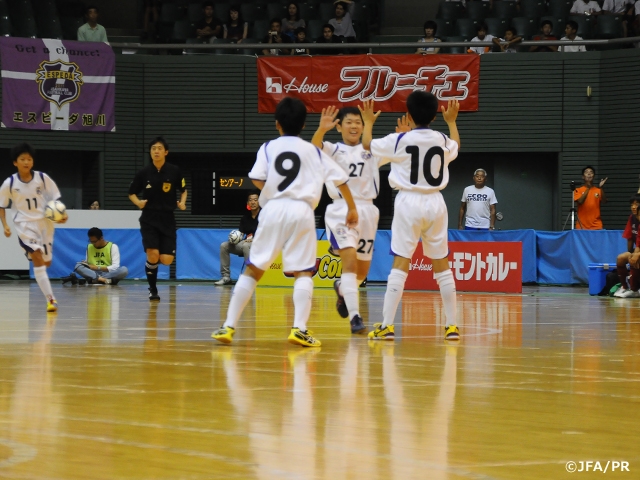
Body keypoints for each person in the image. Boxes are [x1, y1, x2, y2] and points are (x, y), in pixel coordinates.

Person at [211, 97, 358, 347]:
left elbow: (256, 179)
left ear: (277, 124)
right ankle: (299, 329)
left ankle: (228, 325)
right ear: (303, 125)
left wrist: (272, 190)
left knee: (254, 269)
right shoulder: (313, 150)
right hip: (302, 211)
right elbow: (341, 179)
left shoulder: (268, 147)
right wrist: (352, 208)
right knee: (303, 271)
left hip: (273, 209)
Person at [360, 93, 461, 341]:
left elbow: (366, 146)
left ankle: (387, 325)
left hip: (408, 202)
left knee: (401, 262)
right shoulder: (441, 139)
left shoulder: (398, 140)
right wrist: (452, 122)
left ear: (409, 113)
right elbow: (456, 146)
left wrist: (369, 123)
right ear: (436, 114)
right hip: (436, 202)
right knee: (442, 264)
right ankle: (452, 326)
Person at [311, 106, 382, 334]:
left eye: (358, 122)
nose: (354, 126)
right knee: (349, 264)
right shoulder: (333, 149)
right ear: (339, 126)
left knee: (361, 273)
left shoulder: (373, 148)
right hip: (341, 210)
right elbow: (313, 150)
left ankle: (341, 288)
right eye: (349, 122)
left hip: (368, 211)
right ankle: (355, 318)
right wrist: (321, 130)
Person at [0, 143, 67, 312]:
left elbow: (55, 197)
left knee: (47, 262)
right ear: (15, 162)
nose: (26, 162)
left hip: (45, 223)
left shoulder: (42, 178)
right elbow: (1, 206)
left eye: (29, 159)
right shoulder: (10, 183)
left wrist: (61, 214)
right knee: (37, 256)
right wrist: (5, 225)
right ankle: (51, 299)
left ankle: (33, 253)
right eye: (22, 159)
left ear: (33, 162)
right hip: (24, 225)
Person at [128, 137, 187, 301]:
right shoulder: (143, 173)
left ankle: (153, 264)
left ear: (165, 152)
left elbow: (183, 190)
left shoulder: (174, 171)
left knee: (166, 260)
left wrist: (182, 203)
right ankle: (152, 289)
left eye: (159, 148)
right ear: (150, 152)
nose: (156, 151)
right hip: (149, 218)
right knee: (153, 255)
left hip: (168, 218)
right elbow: (131, 193)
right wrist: (138, 203)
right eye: (153, 148)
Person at [215, 190, 261, 286]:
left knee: (246, 245)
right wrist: (234, 238)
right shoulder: (245, 218)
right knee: (224, 246)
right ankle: (226, 277)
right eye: (250, 200)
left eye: (255, 200)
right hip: (246, 244)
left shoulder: (265, 216)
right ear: (248, 203)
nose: (253, 202)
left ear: (259, 202)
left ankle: (250, 277)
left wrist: (254, 239)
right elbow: (241, 235)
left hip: (261, 244)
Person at [61, 227, 129, 286]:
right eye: (91, 241)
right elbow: (88, 262)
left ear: (101, 238)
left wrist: (97, 267)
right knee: (78, 266)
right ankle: (104, 280)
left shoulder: (113, 246)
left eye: (94, 241)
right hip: (93, 272)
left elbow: (115, 267)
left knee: (124, 270)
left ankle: (96, 279)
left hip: (107, 272)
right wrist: (85, 263)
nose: (92, 243)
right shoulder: (89, 247)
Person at [613, 195, 640, 297]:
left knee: (636, 259)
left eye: (636, 204)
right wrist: (632, 254)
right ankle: (624, 287)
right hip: (638, 250)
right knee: (621, 258)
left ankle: (634, 289)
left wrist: (637, 255)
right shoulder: (632, 218)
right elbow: (631, 238)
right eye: (632, 205)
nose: (633, 207)